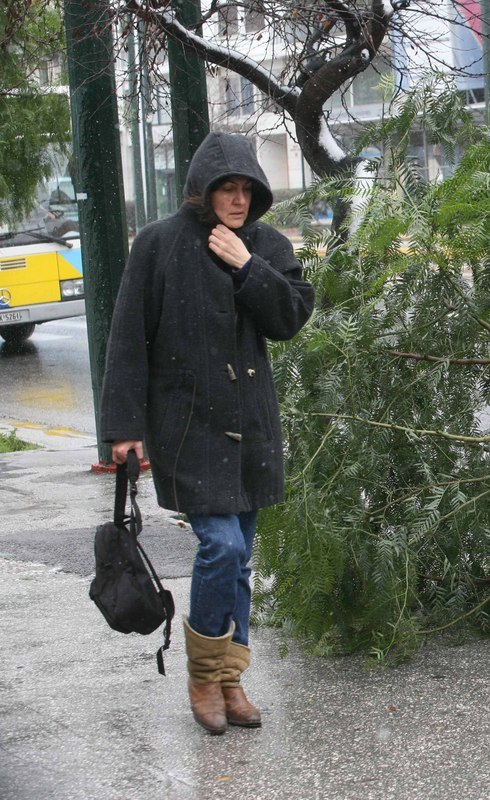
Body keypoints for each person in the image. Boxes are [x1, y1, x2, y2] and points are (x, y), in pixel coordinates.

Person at [101, 132, 314, 735]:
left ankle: (230, 677)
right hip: (187, 428)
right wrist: (123, 429)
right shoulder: (158, 245)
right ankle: (203, 675)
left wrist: (248, 267)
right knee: (221, 546)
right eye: (228, 188)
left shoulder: (266, 245)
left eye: (247, 189)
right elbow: (126, 340)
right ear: (203, 190)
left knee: (242, 559)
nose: (239, 200)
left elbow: (291, 317)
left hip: (252, 428)